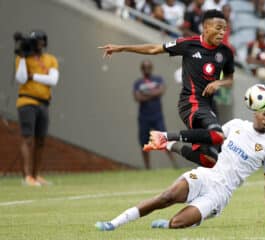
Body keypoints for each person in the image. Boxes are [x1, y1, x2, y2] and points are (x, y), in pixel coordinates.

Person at [95, 99, 265, 230]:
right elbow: (207, 139)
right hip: (205, 176)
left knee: (177, 223)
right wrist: (170, 143)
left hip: (220, 193)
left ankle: (179, 221)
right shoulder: (236, 125)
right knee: (166, 197)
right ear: (256, 111)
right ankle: (114, 223)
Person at [99, 10, 235, 168]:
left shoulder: (226, 52)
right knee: (218, 135)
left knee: (209, 160)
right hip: (190, 103)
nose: (222, 33)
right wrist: (122, 48)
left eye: (224, 29)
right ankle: (165, 136)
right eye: (218, 28)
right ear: (205, 27)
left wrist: (218, 83)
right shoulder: (189, 44)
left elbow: (229, 79)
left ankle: (169, 145)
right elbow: (154, 49)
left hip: (207, 106)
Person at [14, 30, 59, 186]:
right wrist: (23, 58)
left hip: (44, 102)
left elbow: (53, 80)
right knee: (28, 138)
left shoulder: (50, 59)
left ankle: (36, 174)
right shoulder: (23, 58)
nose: (37, 44)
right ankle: (27, 176)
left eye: (40, 41)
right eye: (35, 41)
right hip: (27, 101)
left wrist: (33, 76)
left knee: (41, 140)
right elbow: (21, 78)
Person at [133, 60, 178, 169]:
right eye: (145, 67)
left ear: (152, 68)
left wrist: (146, 94)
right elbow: (137, 97)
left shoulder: (158, 79)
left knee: (164, 140)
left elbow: (161, 91)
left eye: (149, 67)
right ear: (142, 69)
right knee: (144, 143)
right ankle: (148, 168)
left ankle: (174, 165)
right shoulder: (138, 83)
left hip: (157, 116)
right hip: (144, 117)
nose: (147, 69)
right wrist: (153, 94)